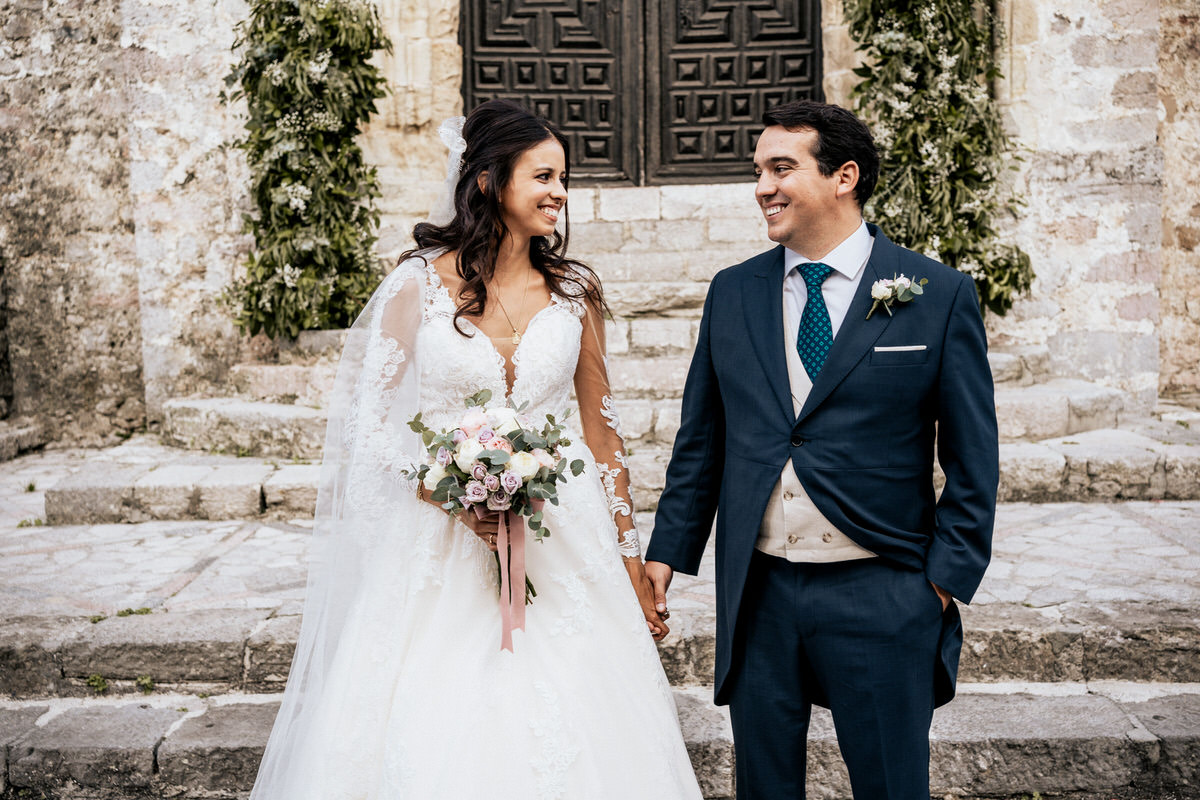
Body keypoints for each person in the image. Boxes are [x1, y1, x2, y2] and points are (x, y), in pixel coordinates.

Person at [250, 99, 702, 799]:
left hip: (564, 534)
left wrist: (630, 558)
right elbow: (372, 428)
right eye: (543, 176)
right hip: (441, 538)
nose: (559, 192)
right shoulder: (416, 287)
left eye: (563, 179)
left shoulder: (576, 291)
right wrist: (453, 496)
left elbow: (601, 433)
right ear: (491, 182)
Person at [645, 99, 999, 799]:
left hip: (883, 587)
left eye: (781, 168)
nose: (762, 187)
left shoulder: (935, 294)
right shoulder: (733, 293)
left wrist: (940, 581)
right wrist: (667, 552)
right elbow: (702, 439)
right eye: (758, 171)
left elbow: (973, 454)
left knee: (892, 787)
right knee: (764, 788)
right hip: (761, 591)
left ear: (844, 176)